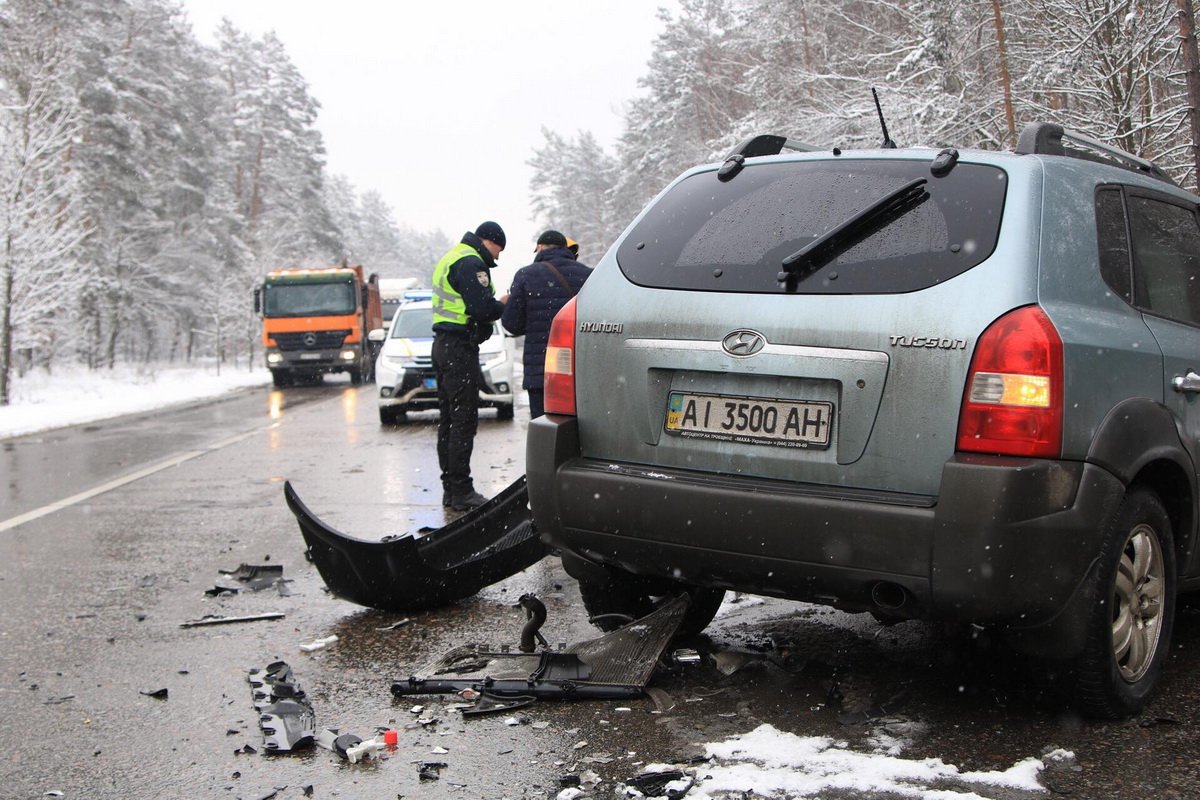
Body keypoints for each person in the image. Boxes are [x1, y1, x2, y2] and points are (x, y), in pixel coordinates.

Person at [432, 221, 506, 511]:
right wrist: (502, 304)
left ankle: (450, 490)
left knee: (449, 419)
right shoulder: (470, 262)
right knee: (463, 421)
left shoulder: (451, 257)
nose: (497, 258)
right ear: (489, 241)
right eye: (498, 251)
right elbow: (481, 308)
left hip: (443, 345)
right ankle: (462, 491)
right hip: (459, 349)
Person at [501, 230, 592, 418]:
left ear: (540, 248)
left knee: (545, 429)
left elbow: (512, 324)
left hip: (542, 372)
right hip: (580, 370)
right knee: (580, 432)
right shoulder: (588, 275)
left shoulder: (526, 275)